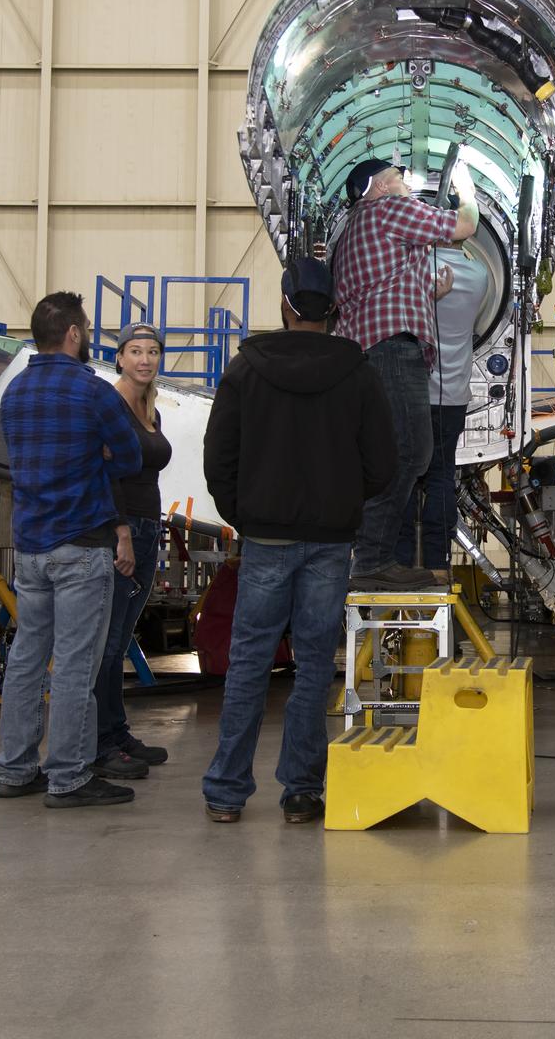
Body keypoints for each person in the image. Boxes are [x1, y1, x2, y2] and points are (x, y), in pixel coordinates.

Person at [201, 257, 396, 824]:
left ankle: (226, 791)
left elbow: (219, 457)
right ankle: (302, 790)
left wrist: (245, 513)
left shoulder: (245, 369)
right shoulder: (358, 372)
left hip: (264, 538)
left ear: (285, 306)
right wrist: (343, 503)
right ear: (333, 310)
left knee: (248, 661)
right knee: (314, 665)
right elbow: (384, 464)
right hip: (331, 542)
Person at [0, 291, 142, 809]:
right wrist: (98, 451)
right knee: (76, 664)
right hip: (81, 543)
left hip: (30, 546)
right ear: (75, 334)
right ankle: (69, 776)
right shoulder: (92, 391)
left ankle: (15, 768)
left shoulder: (14, 393)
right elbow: (128, 456)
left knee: (28, 658)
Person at [333, 158, 478, 589]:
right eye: (398, 179)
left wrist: (426, 291)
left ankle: (373, 556)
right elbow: (464, 226)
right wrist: (467, 193)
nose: (406, 185)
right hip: (393, 349)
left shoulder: (357, 228)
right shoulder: (388, 210)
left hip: (368, 350)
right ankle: (373, 559)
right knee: (413, 451)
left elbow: (375, 286)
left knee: (392, 453)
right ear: (378, 187)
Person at [92, 322, 173, 778]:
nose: (145, 359)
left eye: (153, 352)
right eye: (136, 351)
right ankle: (100, 744)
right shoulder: (114, 404)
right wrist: (121, 531)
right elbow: (109, 475)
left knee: (120, 638)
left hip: (146, 528)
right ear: (119, 357)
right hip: (123, 531)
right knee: (107, 643)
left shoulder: (150, 409)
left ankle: (116, 731)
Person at [396, 239, 488, 570]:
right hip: (452, 395)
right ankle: (438, 562)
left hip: (412, 392)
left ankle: (400, 563)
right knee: (442, 477)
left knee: (403, 478)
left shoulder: (412, 269)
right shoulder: (479, 274)